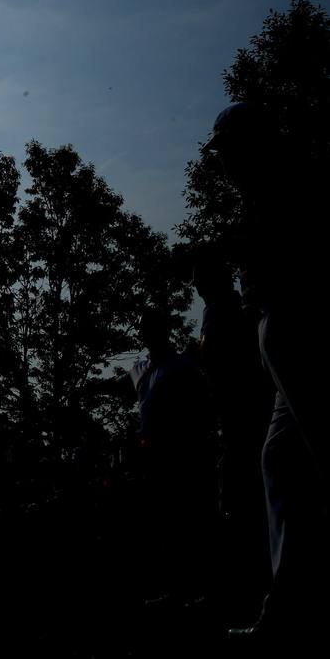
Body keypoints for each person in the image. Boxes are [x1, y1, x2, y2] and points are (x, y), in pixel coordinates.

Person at [202, 102, 329, 642]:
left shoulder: (287, 183)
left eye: (227, 151)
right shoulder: (264, 192)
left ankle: (297, 606)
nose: (223, 163)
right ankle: (287, 605)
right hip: (278, 325)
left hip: (300, 322)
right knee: (280, 462)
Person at [190, 247, 272, 613]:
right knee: (238, 503)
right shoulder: (226, 313)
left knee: (243, 505)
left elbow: (221, 363)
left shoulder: (229, 314)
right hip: (235, 423)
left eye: (200, 282)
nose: (197, 290)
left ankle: (248, 589)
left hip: (245, 423)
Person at [130, 311, 217, 607]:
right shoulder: (140, 369)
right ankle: (176, 587)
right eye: (145, 328)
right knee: (165, 523)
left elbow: (203, 410)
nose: (148, 334)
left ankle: (201, 587)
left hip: (183, 455)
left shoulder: (183, 368)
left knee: (189, 521)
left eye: (153, 328)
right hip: (154, 458)